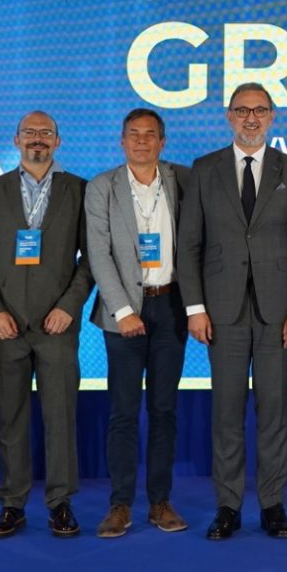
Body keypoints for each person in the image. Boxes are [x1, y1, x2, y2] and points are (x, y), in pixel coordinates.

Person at [178, 82, 287, 540]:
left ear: (272, 116)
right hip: (222, 312)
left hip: (279, 313)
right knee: (227, 412)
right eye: (242, 110)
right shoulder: (205, 169)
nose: (251, 118)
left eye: (259, 110)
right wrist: (195, 307)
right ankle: (228, 506)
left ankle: (273, 505)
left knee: (274, 411)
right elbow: (189, 245)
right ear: (229, 116)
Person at [0, 112, 92, 539]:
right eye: (30, 133)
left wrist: (69, 307)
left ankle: (61, 504)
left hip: (57, 324)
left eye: (46, 133)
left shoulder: (79, 189)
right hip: (6, 326)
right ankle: (12, 504)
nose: (38, 139)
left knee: (61, 417)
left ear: (58, 141)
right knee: (11, 418)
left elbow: (92, 257)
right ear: (17, 139)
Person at [86, 109, 191, 538]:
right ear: (122, 141)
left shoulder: (185, 180)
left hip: (171, 307)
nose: (142, 141)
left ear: (162, 142)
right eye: (134, 134)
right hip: (123, 312)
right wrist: (123, 310)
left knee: (164, 410)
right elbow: (98, 252)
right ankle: (120, 504)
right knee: (124, 412)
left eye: (150, 135)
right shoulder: (102, 186)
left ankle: (160, 502)